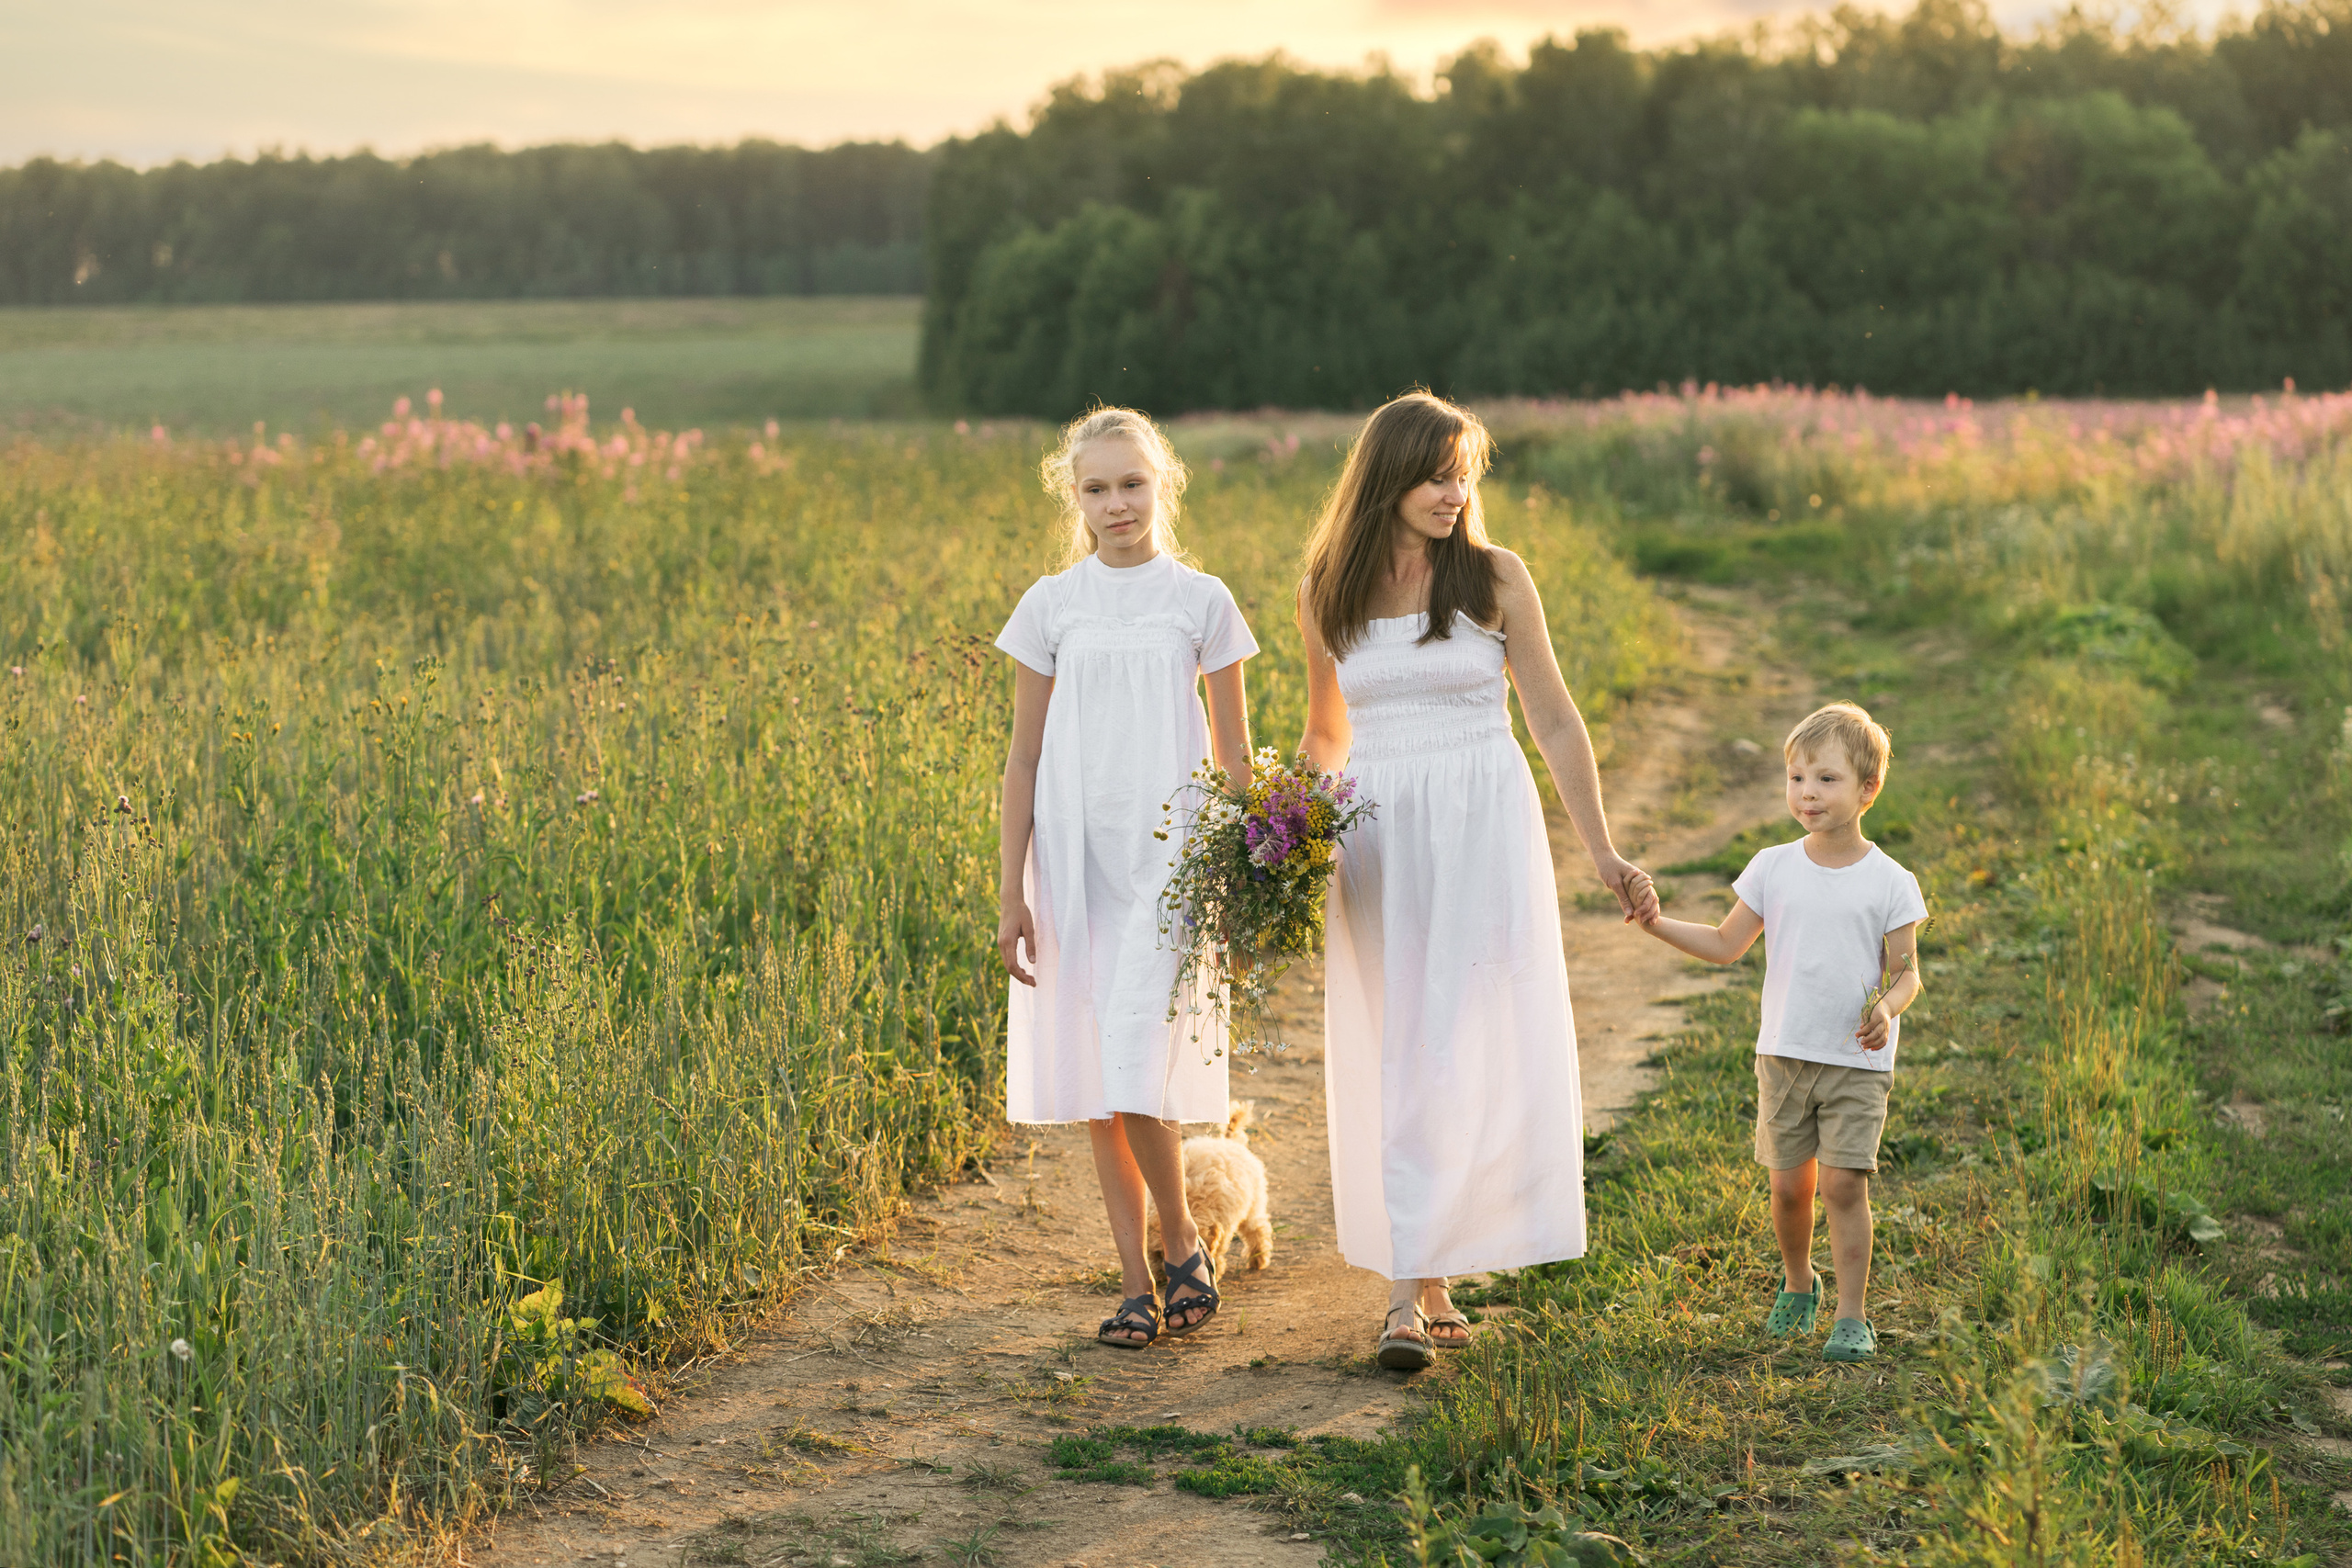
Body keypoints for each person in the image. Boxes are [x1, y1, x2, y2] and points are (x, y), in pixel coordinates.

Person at [1297, 391, 1657, 1371]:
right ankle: (1410, 1288)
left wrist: (1601, 850)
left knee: (1461, 1036)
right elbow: (1328, 733)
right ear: (1387, 475)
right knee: (1400, 1038)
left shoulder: (1495, 578)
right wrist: (1285, 832)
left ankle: (1430, 1272)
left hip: (1480, 826)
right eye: (1437, 473)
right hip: (1377, 835)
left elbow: (1552, 718)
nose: (1456, 492)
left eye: (1467, 474)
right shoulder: (1329, 585)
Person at [995, 406, 1259, 1349]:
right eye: (1097, 488)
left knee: (1133, 1062)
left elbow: (1233, 754)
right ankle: (1137, 1283)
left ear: (1165, 485)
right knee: (1102, 1084)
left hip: (1171, 864)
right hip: (1072, 862)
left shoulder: (1202, 601)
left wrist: (1245, 872)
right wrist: (1010, 893)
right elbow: (1021, 760)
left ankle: (1183, 1239)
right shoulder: (1050, 605)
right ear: (1076, 497)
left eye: (1132, 483)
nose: (1117, 504)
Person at [1634, 702, 1927, 1362]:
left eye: (1826, 779)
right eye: (1796, 778)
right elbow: (1724, 942)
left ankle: (1852, 1315)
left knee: (1845, 1185)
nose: (1807, 793)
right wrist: (1656, 924)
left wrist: (1888, 1007)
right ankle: (1799, 1282)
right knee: (1790, 1185)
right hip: (1784, 1057)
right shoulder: (1773, 866)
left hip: (1855, 1060)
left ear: (1867, 790)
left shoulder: (1891, 881)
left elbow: (1907, 975)